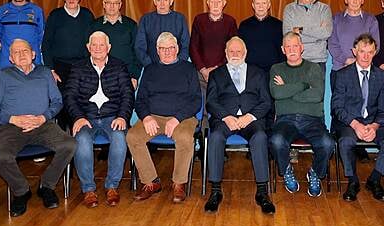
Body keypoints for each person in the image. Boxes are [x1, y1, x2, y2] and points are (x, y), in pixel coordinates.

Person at [0, 39, 76, 217]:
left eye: (25, 51)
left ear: (34, 54)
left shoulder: (44, 73)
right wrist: (14, 119)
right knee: (0, 157)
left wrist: (43, 117)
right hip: (12, 127)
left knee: (69, 145)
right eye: (16, 52)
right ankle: (21, 190)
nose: (21, 55)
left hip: (42, 125)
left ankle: (47, 185)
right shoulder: (3, 76)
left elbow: (58, 101)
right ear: (11, 58)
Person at [127, 32, 201, 203]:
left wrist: (177, 118)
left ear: (176, 49)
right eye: (163, 48)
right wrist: (146, 117)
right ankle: (151, 182)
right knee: (133, 136)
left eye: (170, 48)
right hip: (154, 116)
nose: (167, 52)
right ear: (157, 50)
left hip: (183, 117)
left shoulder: (188, 69)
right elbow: (140, 100)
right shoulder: (150, 70)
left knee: (184, 138)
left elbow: (196, 100)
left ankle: (178, 183)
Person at [204, 37, 275, 214]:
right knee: (216, 136)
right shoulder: (216, 74)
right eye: (231, 51)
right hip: (225, 119)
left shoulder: (258, 73)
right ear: (226, 53)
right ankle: (215, 191)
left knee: (260, 137)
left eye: (239, 51)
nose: (235, 54)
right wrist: (226, 117)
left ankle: (262, 192)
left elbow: (266, 102)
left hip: (251, 120)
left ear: (245, 53)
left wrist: (250, 117)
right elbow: (211, 102)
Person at [65, 31, 134, 208]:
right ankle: (88, 188)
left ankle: (112, 186)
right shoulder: (78, 67)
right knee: (82, 140)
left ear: (108, 47)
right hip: (86, 117)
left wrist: (122, 116)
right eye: (94, 45)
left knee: (120, 137)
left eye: (101, 45)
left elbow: (128, 94)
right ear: (88, 47)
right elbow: (70, 96)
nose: (97, 48)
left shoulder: (119, 66)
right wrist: (78, 117)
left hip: (113, 117)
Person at [331, 34, 384, 202]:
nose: (366, 56)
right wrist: (356, 125)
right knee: (345, 141)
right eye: (362, 51)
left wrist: (374, 126)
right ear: (355, 52)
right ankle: (353, 181)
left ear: (375, 52)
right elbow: (337, 108)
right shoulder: (342, 75)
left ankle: (374, 180)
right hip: (349, 122)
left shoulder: (382, 77)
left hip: (374, 122)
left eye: (370, 52)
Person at [269, 32, 335, 197]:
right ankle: (286, 171)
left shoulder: (314, 68)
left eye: (295, 46)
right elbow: (277, 93)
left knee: (327, 144)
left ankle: (315, 173)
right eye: (288, 47)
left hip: (312, 120)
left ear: (302, 48)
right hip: (286, 120)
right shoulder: (276, 68)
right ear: (283, 49)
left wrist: (288, 90)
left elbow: (317, 95)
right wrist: (305, 85)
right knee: (276, 141)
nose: (292, 50)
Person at [41, 0, 95, 85]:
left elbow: (93, 42)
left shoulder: (87, 15)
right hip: (59, 68)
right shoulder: (55, 15)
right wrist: (51, 70)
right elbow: (46, 43)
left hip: (83, 67)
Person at [189, 0, 238, 95]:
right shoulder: (199, 20)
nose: (215, 5)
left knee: (220, 105)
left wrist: (217, 68)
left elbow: (233, 49)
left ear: (224, 3)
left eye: (218, 2)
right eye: (212, 2)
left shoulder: (230, 22)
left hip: (223, 71)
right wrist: (203, 70)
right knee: (202, 105)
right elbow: (193, 47)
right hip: (200, 73)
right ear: (207, 3)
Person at [89, 0, 142, 86]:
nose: (112, 6)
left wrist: (134, 75)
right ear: (104, 4)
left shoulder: (131, 25)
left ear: (120, 5)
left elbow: (137, 51)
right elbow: (88, 52)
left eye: (115, 3)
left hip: (126, 75)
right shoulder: (94, 26)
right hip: (100, 76)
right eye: (109, 3)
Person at [282, 0, 333, 71]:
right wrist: (317, 37)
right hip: (296, 61)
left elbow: (326, 33)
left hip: (319, 61)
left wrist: (300, 30)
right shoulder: (289, 9)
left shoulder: (324, 9)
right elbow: (288, 36)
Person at [0, 0, 45, 70]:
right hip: (7, 62)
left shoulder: (36, 11)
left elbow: (40, 34)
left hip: (32, 61)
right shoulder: (0, 11)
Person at [134, 0, 190, 67]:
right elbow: (139, 47)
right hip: (151, 66)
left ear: (171, 2)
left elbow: (186, 45)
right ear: (154, 2)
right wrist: (149, 64)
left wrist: (178, 63)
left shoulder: (180, 18)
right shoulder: (146, 19)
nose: (162, 4)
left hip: (176, 66)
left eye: (165, 0)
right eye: (159, 0)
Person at [328, 0, 379, 73]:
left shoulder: (371, 20)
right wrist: (346, 60)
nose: (355, 1)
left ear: (362, 0)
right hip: (340, 68)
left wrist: (360, 61)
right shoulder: (335, 19)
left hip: (364, 70)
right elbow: (332, 44)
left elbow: (376, 46)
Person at [238, 0, 285, 73]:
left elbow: (282, 51)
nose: (260, 7)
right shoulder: (244, 25)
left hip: (273, 71)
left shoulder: (278, 25)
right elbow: (240, 50)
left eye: (264, 3)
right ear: (253, 5)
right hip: (250, 72)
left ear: (269, 5)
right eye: (257, 3)